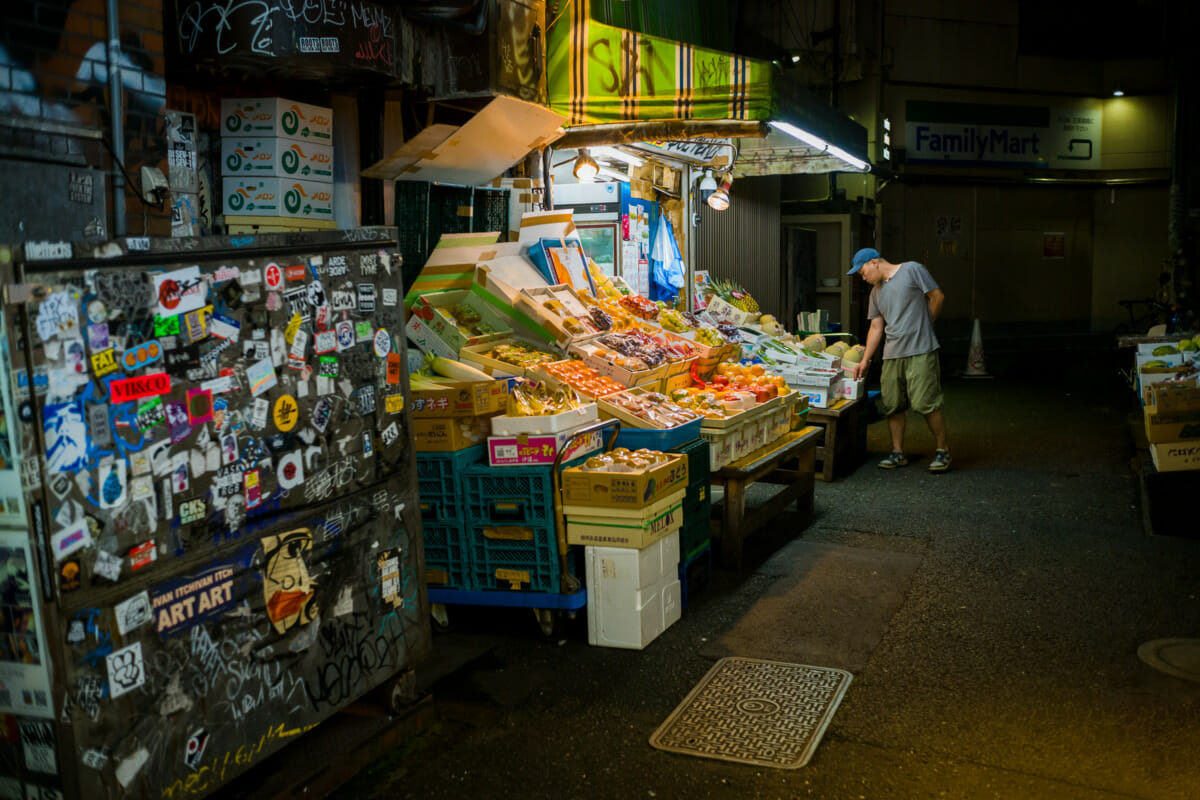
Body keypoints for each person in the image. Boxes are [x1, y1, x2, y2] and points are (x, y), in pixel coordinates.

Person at [848, 248, 951, 472]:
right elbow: (876, 327)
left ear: (874, 262)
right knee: (892, 404)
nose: (862, 277)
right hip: (892, 353)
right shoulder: (875, 293)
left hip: (921, 349)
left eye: (862, 271)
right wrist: (866, 360)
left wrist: (927, 324)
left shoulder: (912, 269)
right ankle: (897, 452)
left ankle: (942, 450)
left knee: (926, 402)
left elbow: (937, 296)